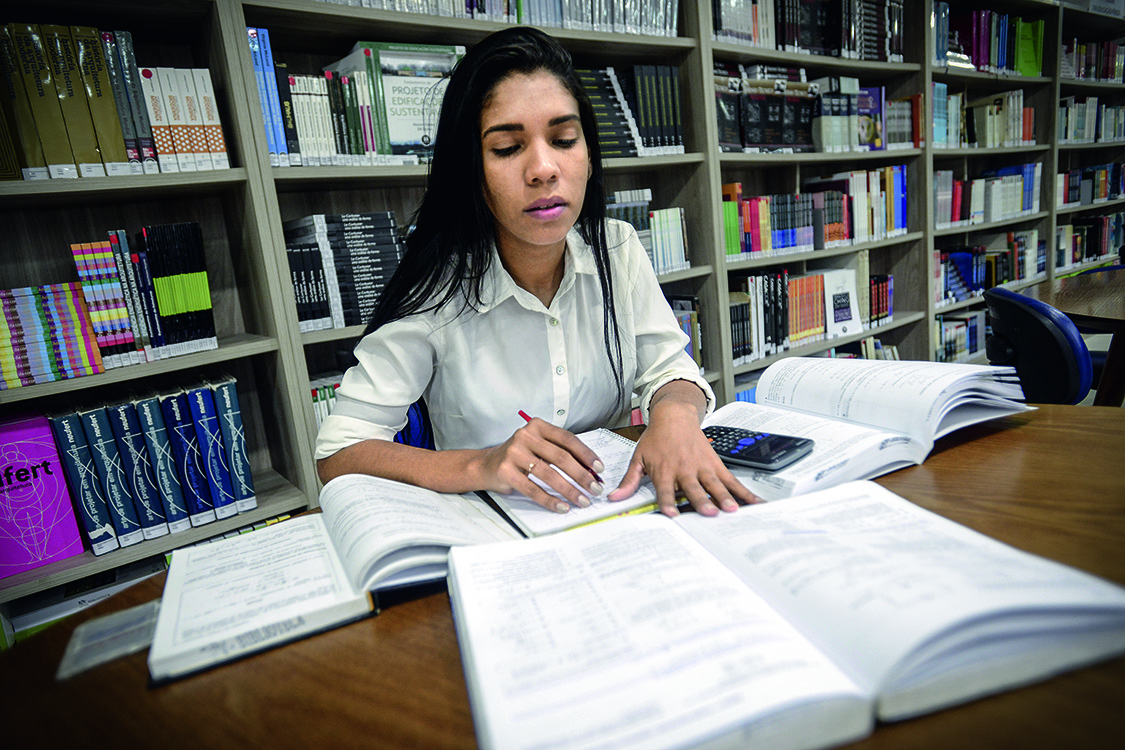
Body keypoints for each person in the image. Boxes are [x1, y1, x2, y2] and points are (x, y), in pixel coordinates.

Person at [315, 26, 755, 517]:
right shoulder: (437, 288)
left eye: (564, 139)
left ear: (588, 156)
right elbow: (338, 451)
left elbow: (670, 370)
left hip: (609, 511)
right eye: (507, 148)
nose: (544, 169)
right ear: (472, 172)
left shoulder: (617, 248)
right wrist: (480, 464)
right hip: (490, 529)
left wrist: (674, 416)